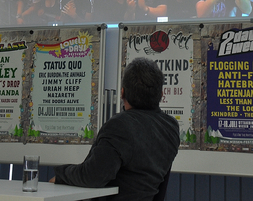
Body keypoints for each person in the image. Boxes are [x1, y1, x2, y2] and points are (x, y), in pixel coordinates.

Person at [51, 58, 180, 201]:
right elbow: (161, 186)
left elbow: (93, 176)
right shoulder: (170, 127)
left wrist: (61, 175)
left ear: (122, 93)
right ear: (161, 95)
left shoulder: (120, 126)